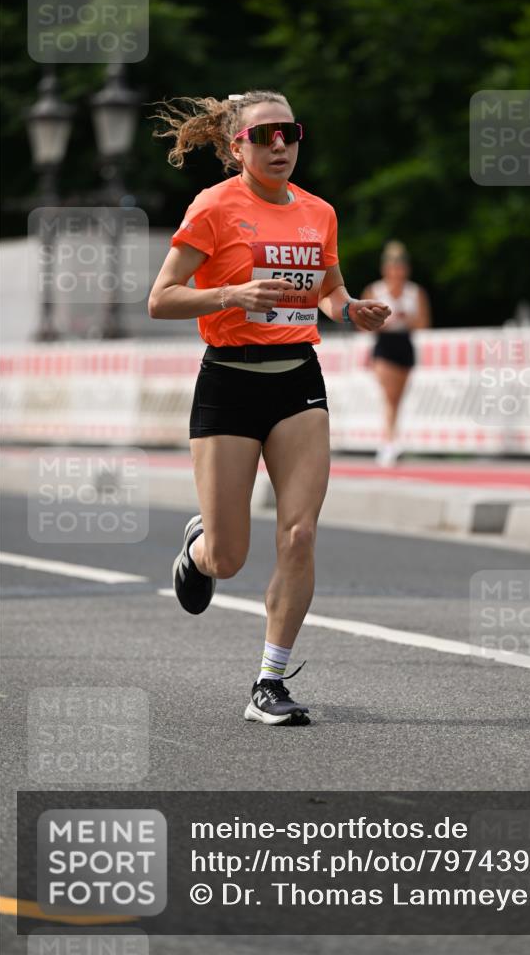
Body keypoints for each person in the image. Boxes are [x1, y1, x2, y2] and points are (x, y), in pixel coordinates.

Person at [147, 90, 390, 726]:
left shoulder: (319, 213)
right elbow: (162, 299)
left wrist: (350, 310)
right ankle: (199, 546)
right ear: (238, 147)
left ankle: (269, 681)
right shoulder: (214, 208)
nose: (279, 145)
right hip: (228, 383)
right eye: (264, 136)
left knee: (300, 532)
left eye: (289, 133)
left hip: (297, 383)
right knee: (229, 558)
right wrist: (232, 293)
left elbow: (328, 288)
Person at [361, 241, 431, 466]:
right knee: (389, 396)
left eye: (400, 267)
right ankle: (389, 442)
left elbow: (423, 322)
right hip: (384, 343)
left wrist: (406, 320)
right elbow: (362, 323)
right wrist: (386, 322)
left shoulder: (415, 292)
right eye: (393, 267)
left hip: (405, 343)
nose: (396, 272)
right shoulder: (375, 290)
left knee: (398, 398)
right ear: (385, 269)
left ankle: (392, 439)